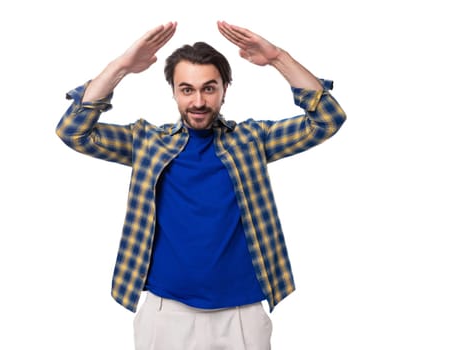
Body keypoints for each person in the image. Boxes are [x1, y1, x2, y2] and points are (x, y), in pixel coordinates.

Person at [56, 20, 346, 350]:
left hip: (242, 314)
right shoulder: (148, 142)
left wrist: (278, 57)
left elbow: (327, 119)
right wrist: (121, 66)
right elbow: (73, 131)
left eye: (209, 88)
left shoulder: (251, 140)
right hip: (165, 313)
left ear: (224, 89)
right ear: (174, 91)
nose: (198, 101)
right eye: (187, 89)